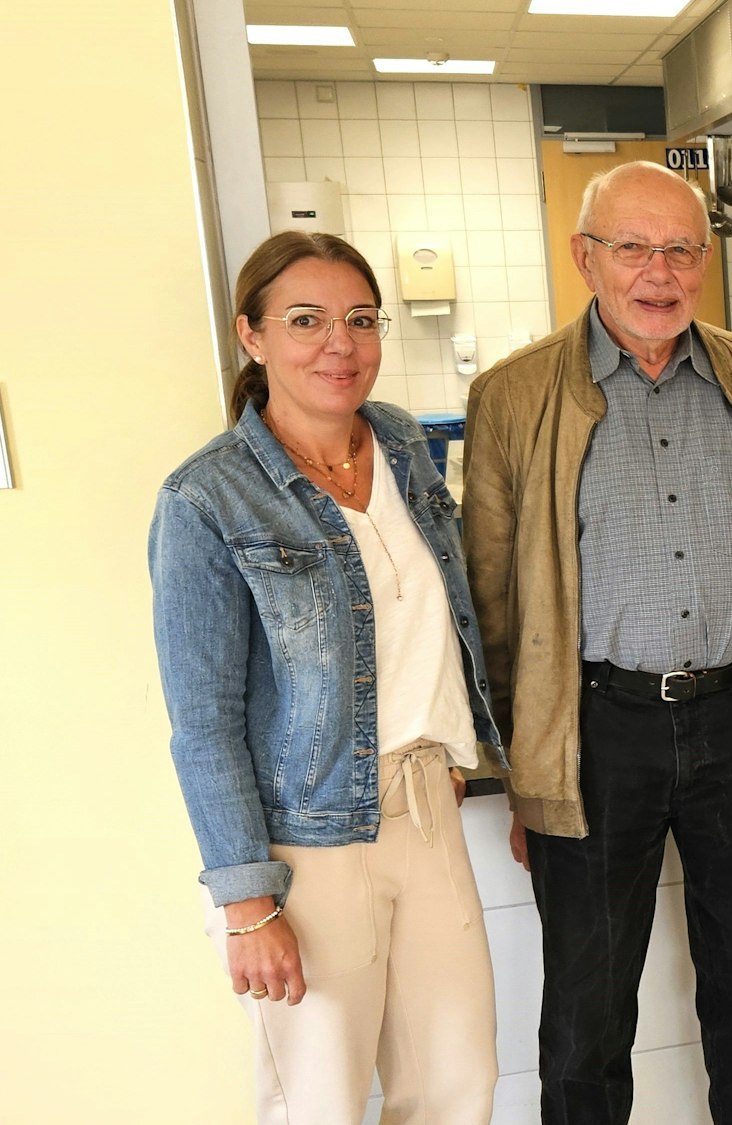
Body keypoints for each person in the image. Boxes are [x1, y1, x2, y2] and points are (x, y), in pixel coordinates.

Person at [461, 161, 732, 1125]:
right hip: (598, 733)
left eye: (683, 247)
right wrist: (533, 770)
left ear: (705, 259)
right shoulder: (513, 399)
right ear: (586, 258)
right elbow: (490, 607)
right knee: (586, 1019)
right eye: (633, 247)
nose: (661, 271)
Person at [150, 230, 506, 1123]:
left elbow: (436, 612)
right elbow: (205, 722)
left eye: (359, 319)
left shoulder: (396, 440)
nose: (339, 344)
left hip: (428, 814)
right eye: (305, 320)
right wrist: (246, 903)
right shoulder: (205, 500)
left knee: (457, 1088)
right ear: (253, 335)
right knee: (321, 1102)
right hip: (307, 845)